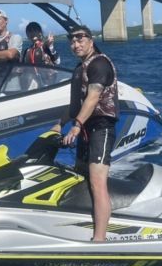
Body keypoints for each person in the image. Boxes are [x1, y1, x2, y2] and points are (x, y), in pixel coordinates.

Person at [51, 25, 119, 242]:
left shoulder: (99, 63)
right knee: (80, 175)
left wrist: (77, 125)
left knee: (97, 182)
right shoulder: (79, 69)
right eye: (72, 40)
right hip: (86, 130)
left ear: (91, 40)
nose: (76, 44)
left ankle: (100, 239)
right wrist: (58, 124)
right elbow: (74, 105)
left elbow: (93, 98)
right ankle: (80, 225)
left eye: (80, 39)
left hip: (101, 127)